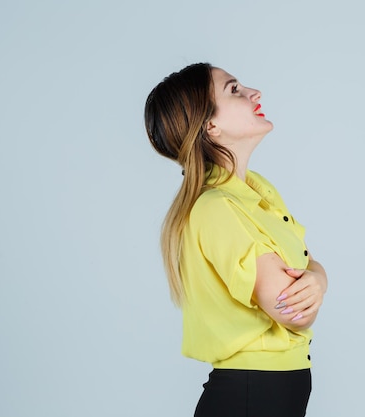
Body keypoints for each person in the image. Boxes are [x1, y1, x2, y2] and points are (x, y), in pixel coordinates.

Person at [144, 63, 328, 417]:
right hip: (250, 396)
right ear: (210, 125)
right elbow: (293, 311)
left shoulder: (257, 190)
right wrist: (315, 281)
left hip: (266, 394)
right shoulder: (217, 208)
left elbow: (307, 265)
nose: (254, 92)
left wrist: (318, 279)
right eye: (234, 90)